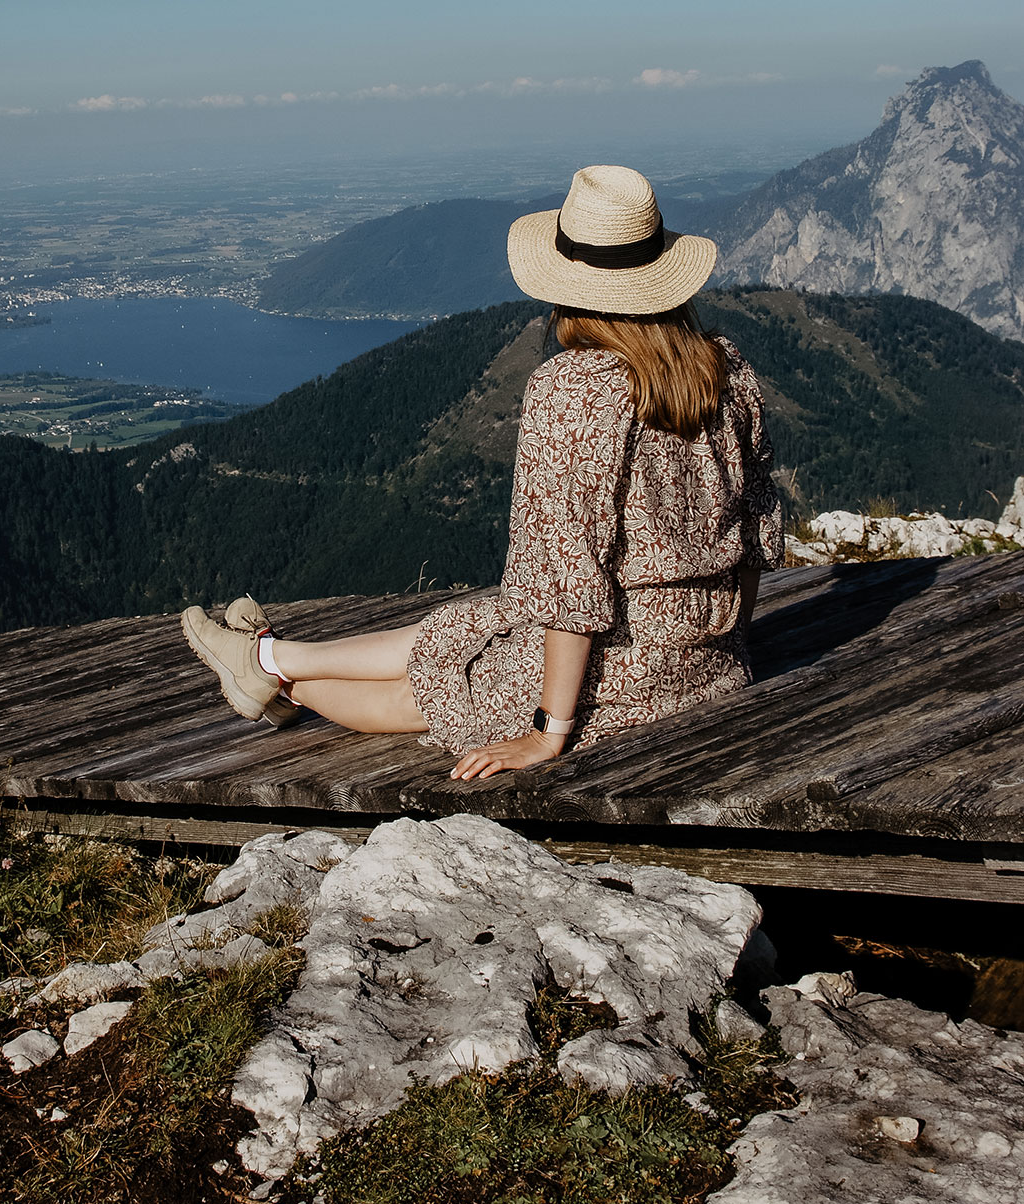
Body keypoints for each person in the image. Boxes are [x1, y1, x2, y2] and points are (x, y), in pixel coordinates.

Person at [181, 164, 783, 780]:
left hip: (620, 681)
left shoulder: (573, 389)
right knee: (469, 622)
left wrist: (549, 732)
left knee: (426, 696)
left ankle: (271, 682)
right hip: (715, 660)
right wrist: (728, 644)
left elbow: (566, 575)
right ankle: (275, 654)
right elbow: (759, 531)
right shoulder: (724, 368)